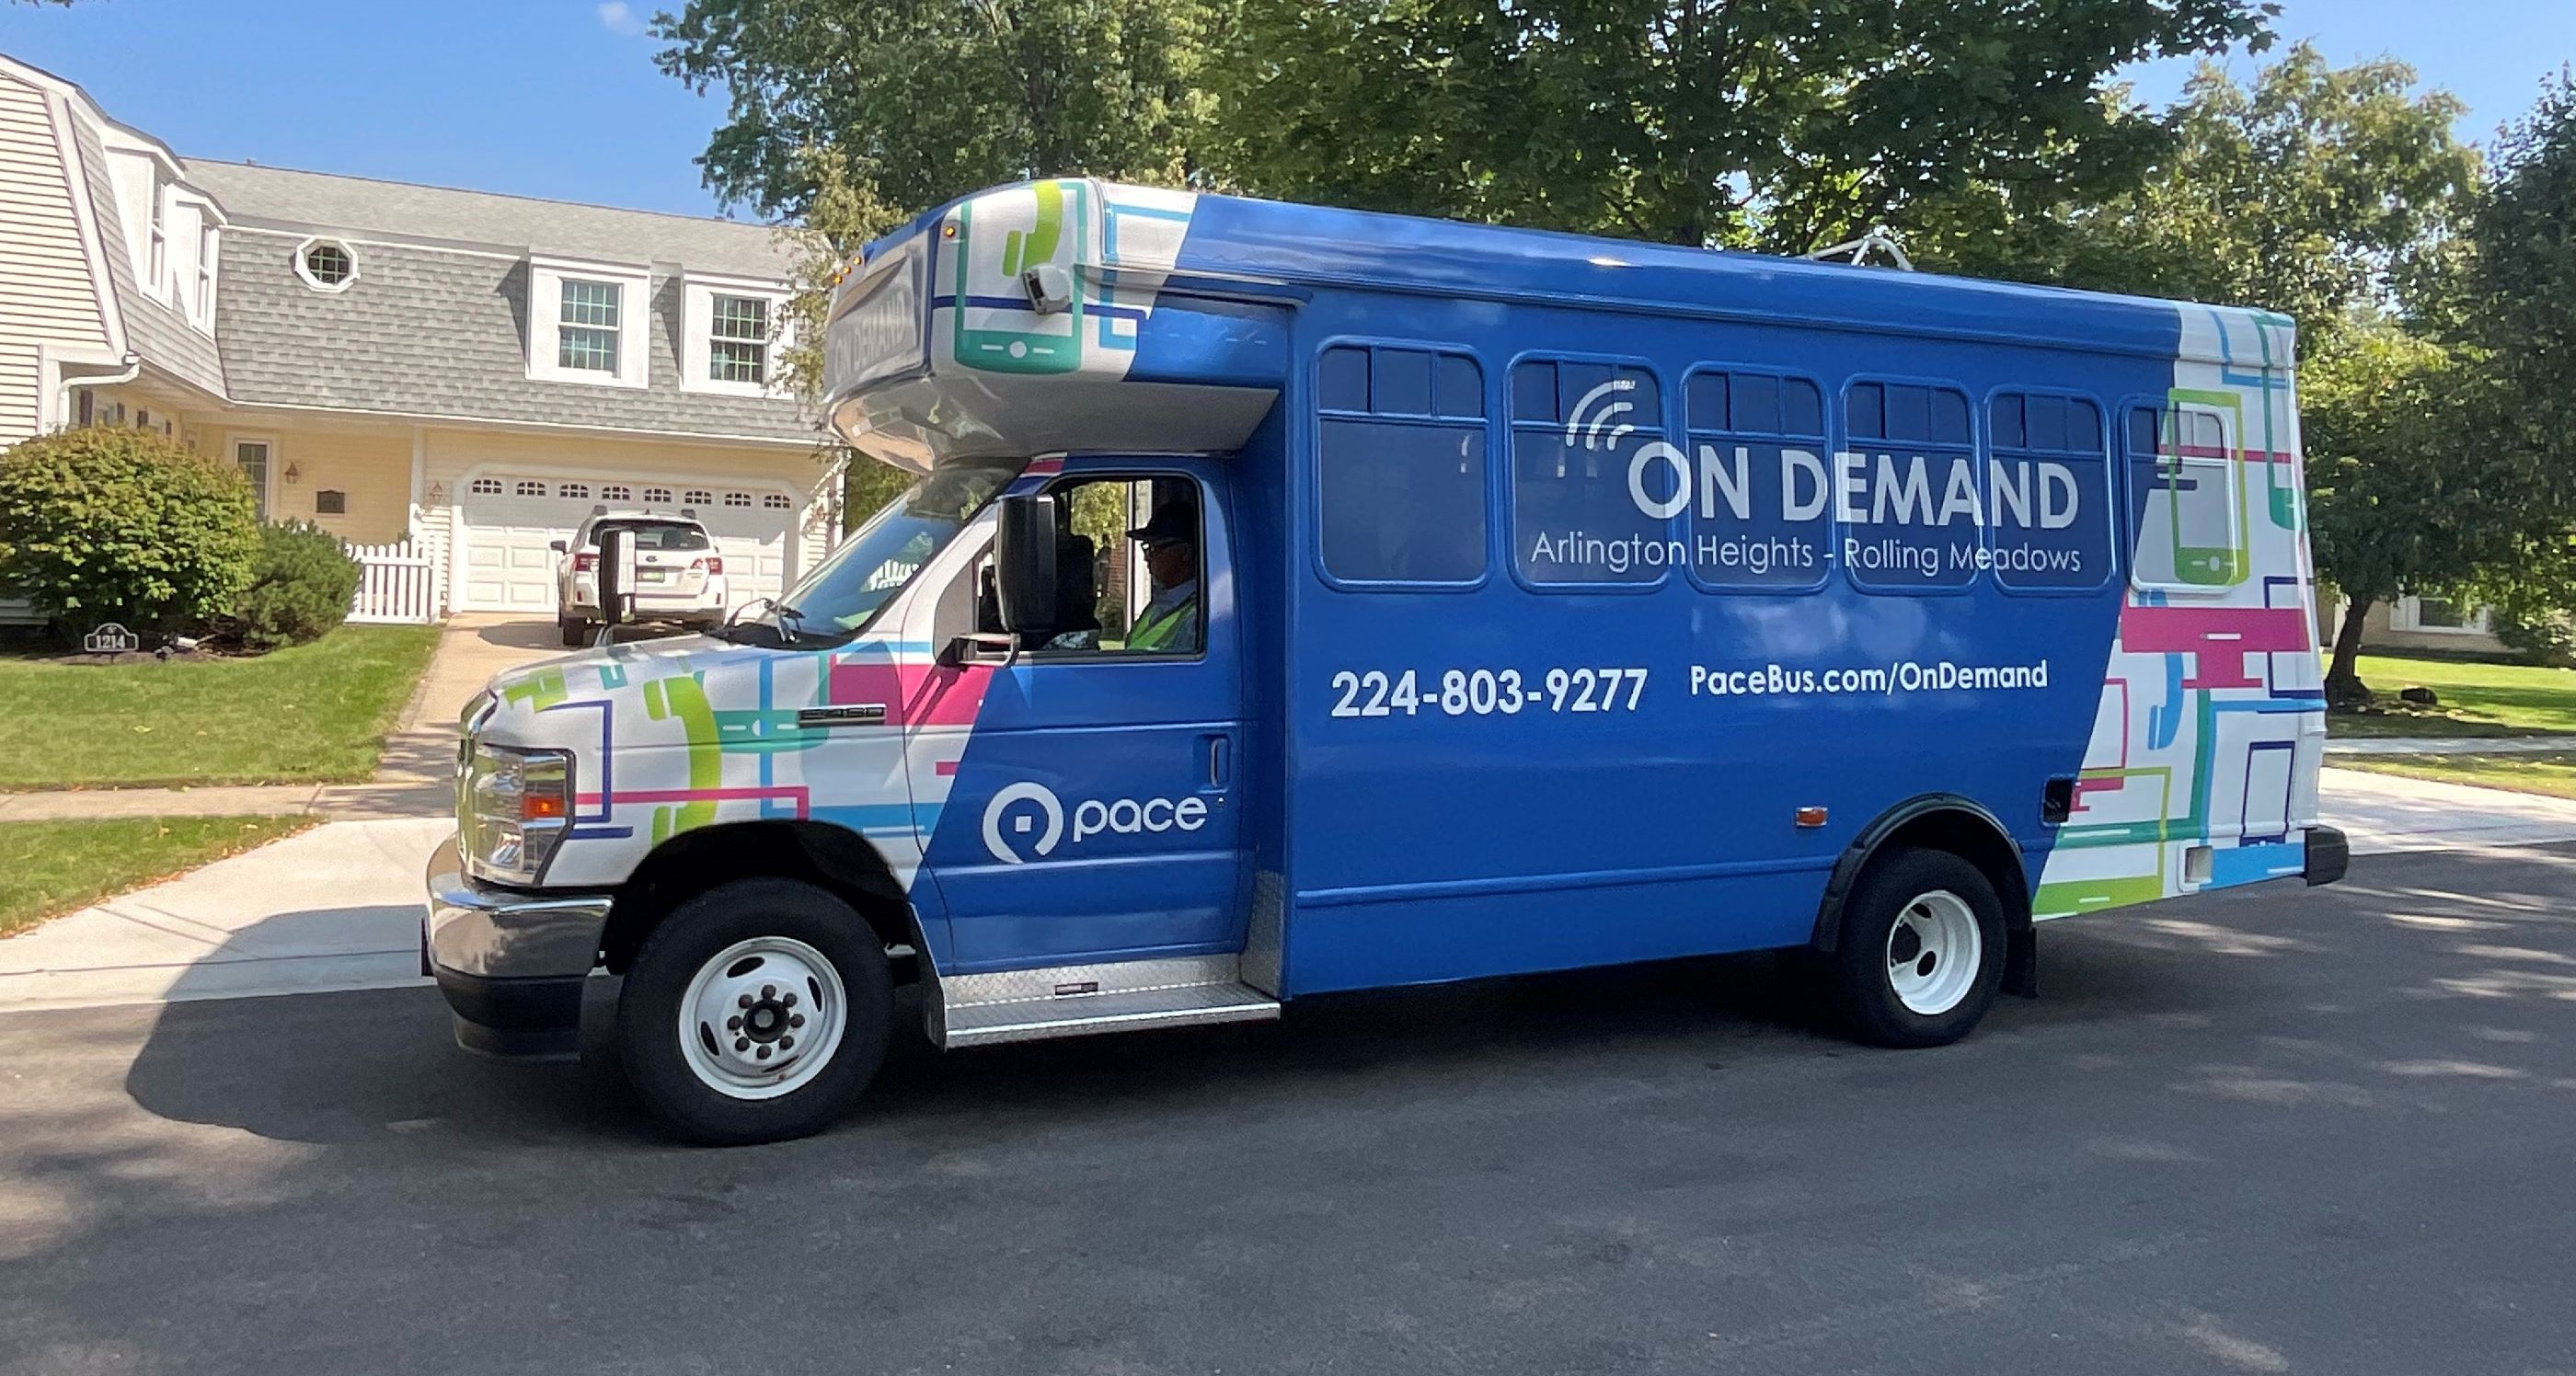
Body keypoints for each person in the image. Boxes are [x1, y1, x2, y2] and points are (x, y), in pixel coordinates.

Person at [1125, 500, 1200, 652]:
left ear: (1185, 553)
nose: (1147, 558)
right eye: (1146, 548)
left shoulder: (1196, 619)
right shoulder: (1158, 605)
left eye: (1154, 549)